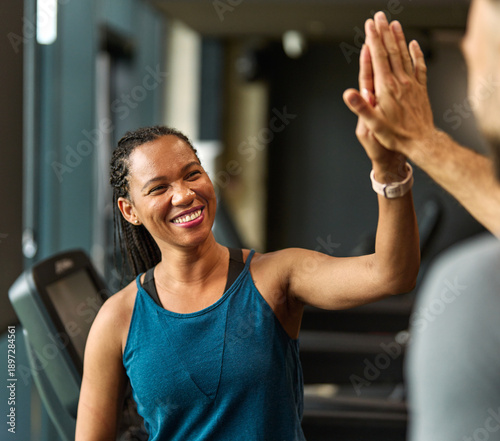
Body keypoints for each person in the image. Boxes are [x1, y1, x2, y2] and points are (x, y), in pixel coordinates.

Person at [75, 124, 419, 440]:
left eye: (192, 174)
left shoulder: (278, 276)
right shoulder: (116, 319)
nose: (183, 195)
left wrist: (389, 173)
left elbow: (392, 273)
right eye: (159, 188)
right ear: (129, 210)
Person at [343, 4, 500, 441]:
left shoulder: (478, 289)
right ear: (129, 209)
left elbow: (391, 274)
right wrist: (408, 150)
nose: (468, 45)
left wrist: (415, 143)